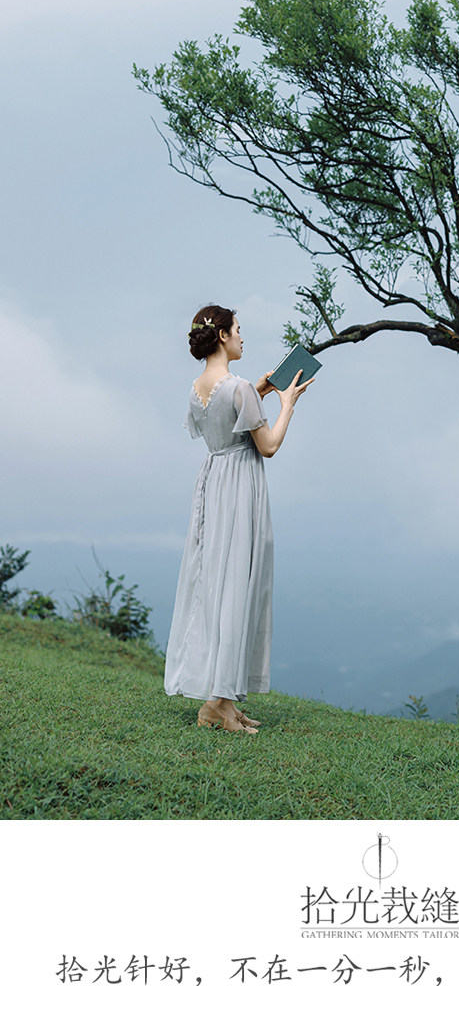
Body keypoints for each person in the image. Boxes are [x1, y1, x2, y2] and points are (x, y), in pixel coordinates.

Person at [164, 303, 314, 735]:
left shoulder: (199, 387)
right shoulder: (239, 387)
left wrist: (261, 389)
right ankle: (218, 704)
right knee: (238, 585)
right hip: (241, 487)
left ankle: (224, 700)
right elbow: (267, 446)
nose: (243, 337)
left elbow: (225, 420)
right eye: (238, 330)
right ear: (224, 336)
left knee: (219, 584)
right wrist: (287, 403)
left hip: (214, 484)